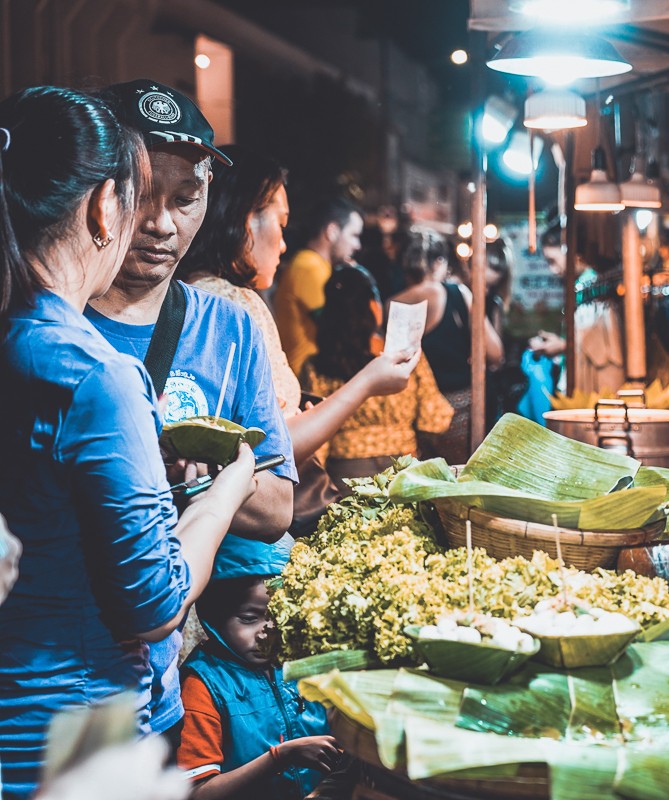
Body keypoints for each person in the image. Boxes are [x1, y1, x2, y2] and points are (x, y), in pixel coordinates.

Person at [0, 86, 256, 799]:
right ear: (104, 208)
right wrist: (227, 490)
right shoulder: (96, 375)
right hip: (74, 742)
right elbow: (154, 608)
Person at [86, 78, 297, 740]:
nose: (161, 224)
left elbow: (277, 508)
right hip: (61, 677)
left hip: (176, 676)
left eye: (185, 199)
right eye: (141, 196)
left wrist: (204, 476)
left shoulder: (228, 327)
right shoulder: (51, 332)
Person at [176, 144, 420, 473]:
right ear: (245, 219)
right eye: (281, 224)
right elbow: (275, 449)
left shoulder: (196, 294)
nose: (283, 244)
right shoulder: (234, 305)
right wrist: (368, 381)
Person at [177, 537, 338, 799]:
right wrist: (280, 757)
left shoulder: (301, 656)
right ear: (215, 615)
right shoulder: (202, 684)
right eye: (249, 619)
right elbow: (198, 792)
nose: (266, 632)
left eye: (278, 615)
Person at [300, 265, 453, 485]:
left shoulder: (316, 366)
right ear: (373, 306)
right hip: (403, 471)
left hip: (346, 478)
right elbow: (434, 419)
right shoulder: (404, 355)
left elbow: (315, 436)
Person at [390, 233, 503, 465]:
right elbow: (495, 353)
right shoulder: (457, 294)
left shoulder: (392, 304)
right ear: (440, 262)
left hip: (413, 415)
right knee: (460, 476)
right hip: (459, 411)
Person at [273, 197, 364, 374]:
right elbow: (345, 329)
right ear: (332, 231)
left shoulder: (318, 265)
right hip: (308, 377)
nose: (357, 246)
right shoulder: (309, 267)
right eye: (354, 235)